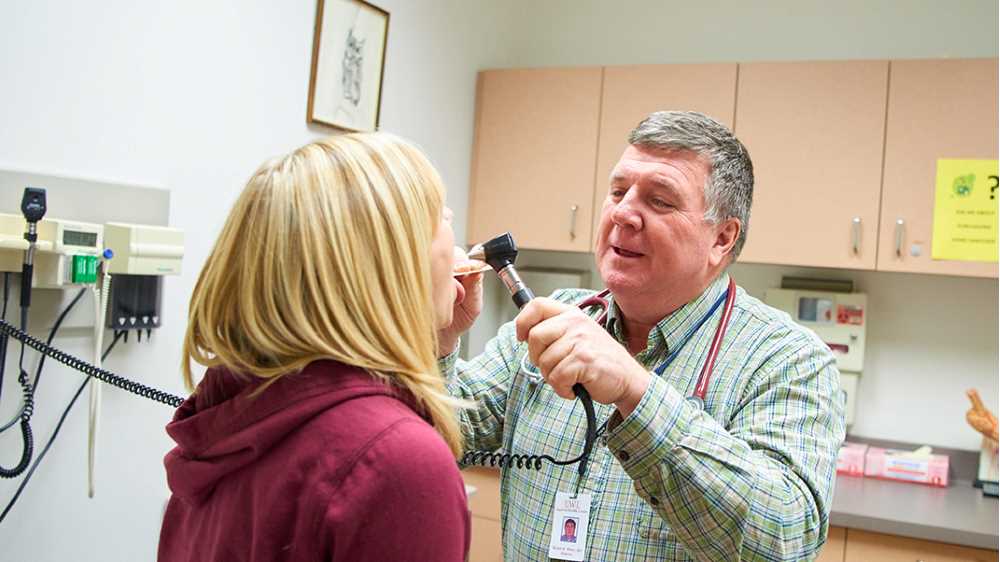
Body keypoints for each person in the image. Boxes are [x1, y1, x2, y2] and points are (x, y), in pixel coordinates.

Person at [441, 111, 845, 561]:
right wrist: (440, 340)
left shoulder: (788, 358)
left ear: (722, 239)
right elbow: (445, 440)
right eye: (618, 191)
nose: (623, 212)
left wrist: (636, 392)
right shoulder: (558, 317)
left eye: (660, 201)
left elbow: (784, 540)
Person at [159, 133, 470, 561]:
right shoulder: (398, 461)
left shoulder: (224, 415)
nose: (455, 237)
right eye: (440, 216)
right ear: (390, 263)